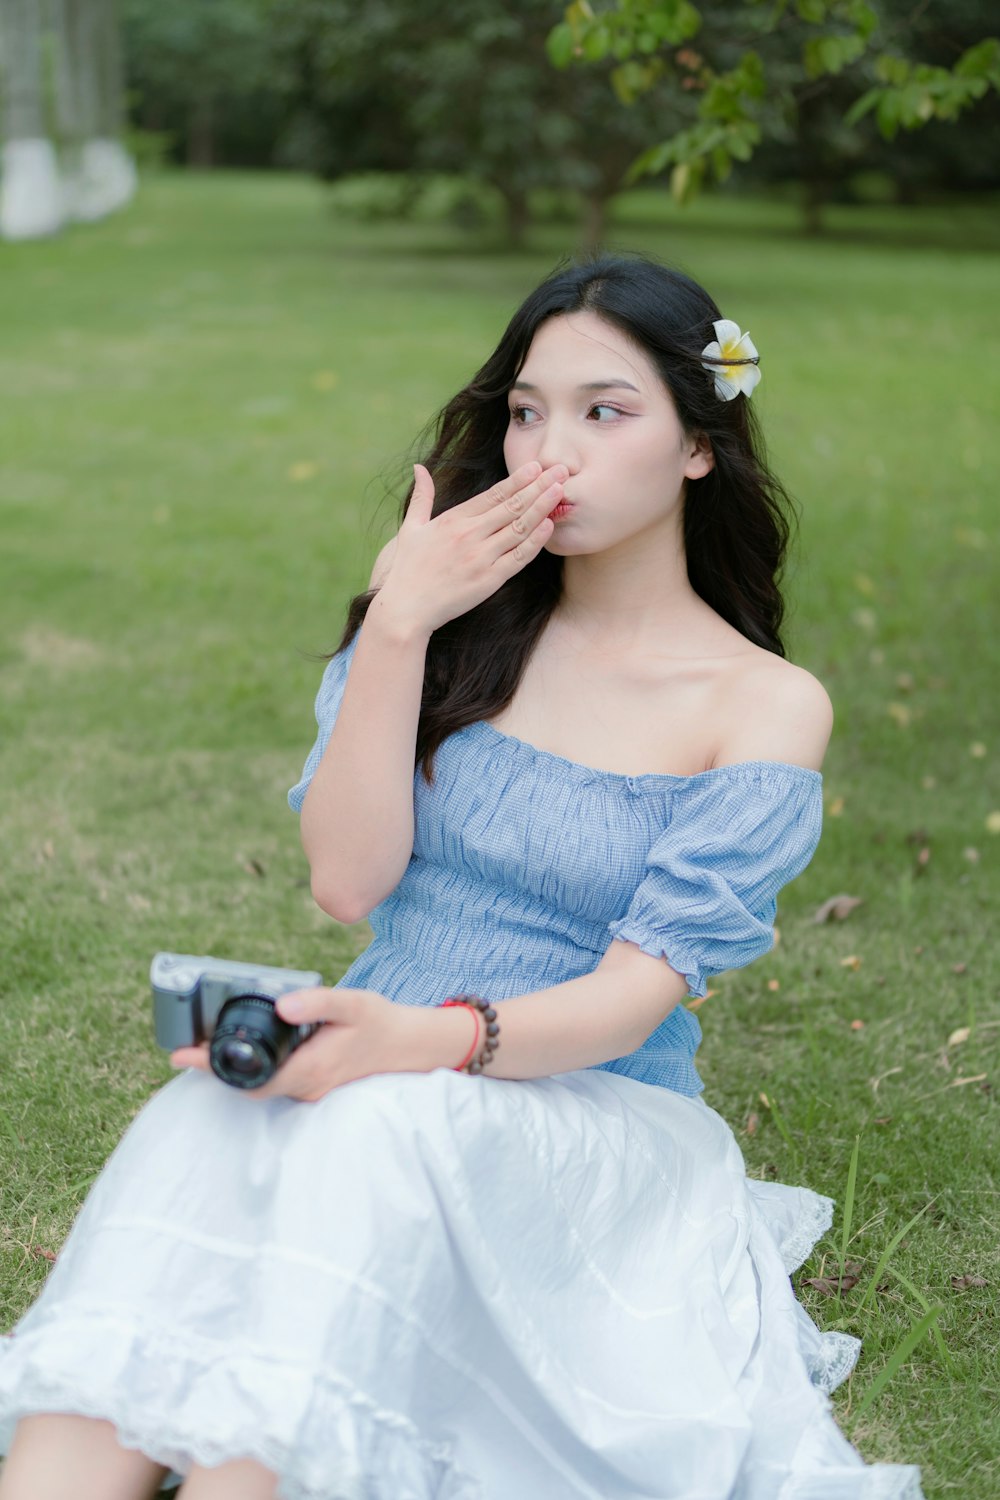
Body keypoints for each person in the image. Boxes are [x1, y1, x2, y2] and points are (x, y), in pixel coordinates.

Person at [0, 254, 923, 1500]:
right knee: (205, 1112)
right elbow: (346, 879)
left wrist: (418, 1041)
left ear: (699, 445)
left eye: (607, 411)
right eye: (529, 411)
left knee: (375, 1131)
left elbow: (628, 1004)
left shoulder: (759, 704)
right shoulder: (457, 625)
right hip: (368, 1053)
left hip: (585, 1101)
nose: (553, 450)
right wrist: (398, 621)